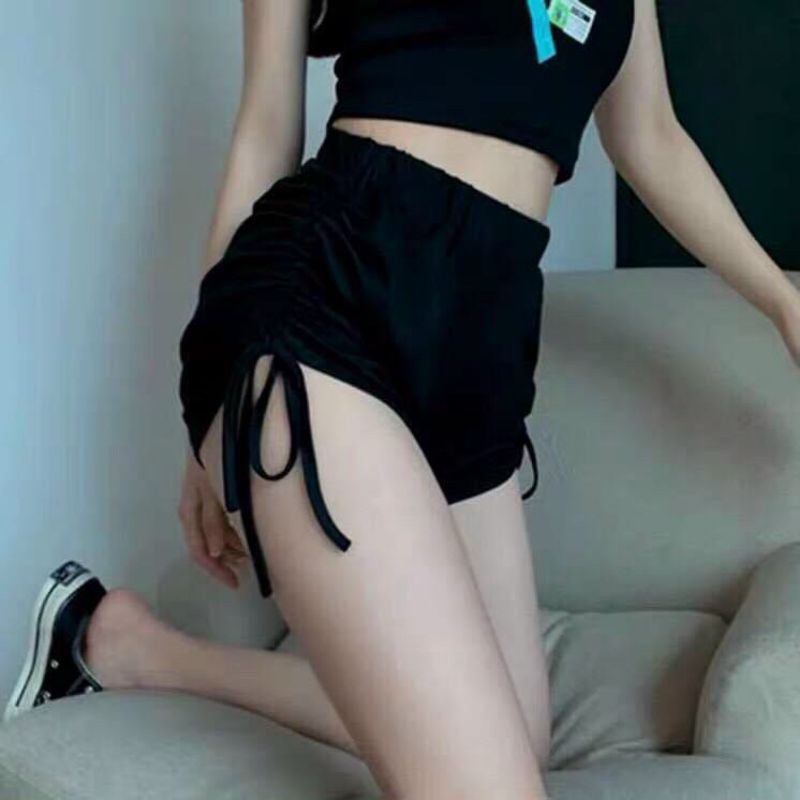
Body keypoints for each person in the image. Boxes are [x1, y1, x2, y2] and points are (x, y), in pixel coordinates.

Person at [7, 1, 800, 798]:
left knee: (522, 733)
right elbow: (265, 129)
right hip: (325, 303)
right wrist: (211, 418)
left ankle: (132, 649)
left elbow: (651, 136)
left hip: (482, 349)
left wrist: (781, 301)